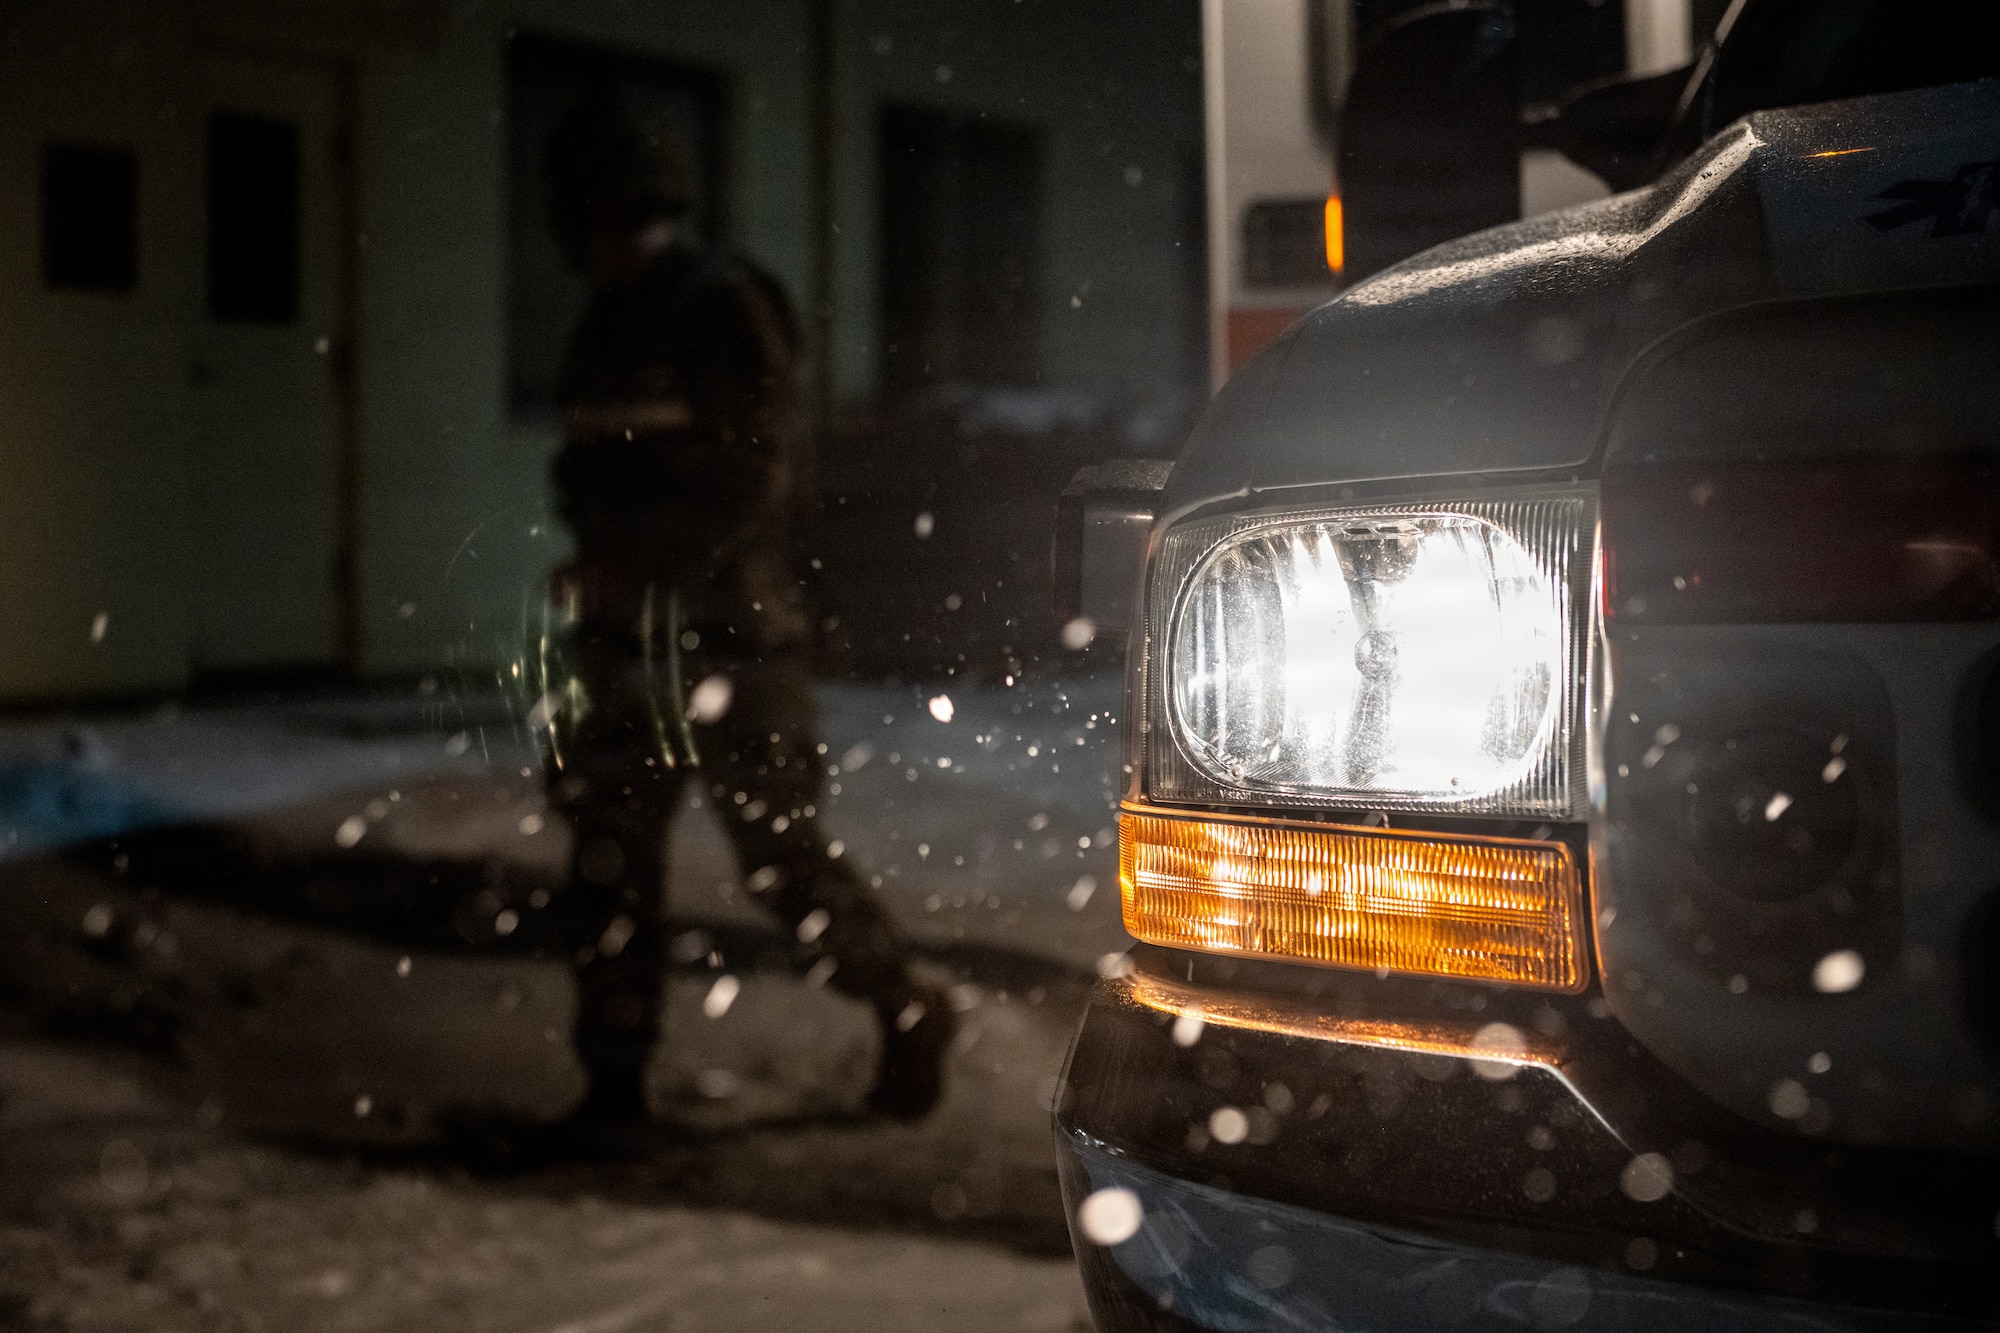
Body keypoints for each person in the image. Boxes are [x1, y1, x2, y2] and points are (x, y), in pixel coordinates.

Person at [537, 98, 950, 1150]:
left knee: (779, 861)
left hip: (731, 641)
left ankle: (903, 1002)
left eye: (610, 213)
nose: (599, 237)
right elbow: (585, 465)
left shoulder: (722, 307)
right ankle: (613, 1086)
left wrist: (643, 560)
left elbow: (755, 479)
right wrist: (593, 569)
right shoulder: (601, 325)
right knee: (607, 864)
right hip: (626, 647)